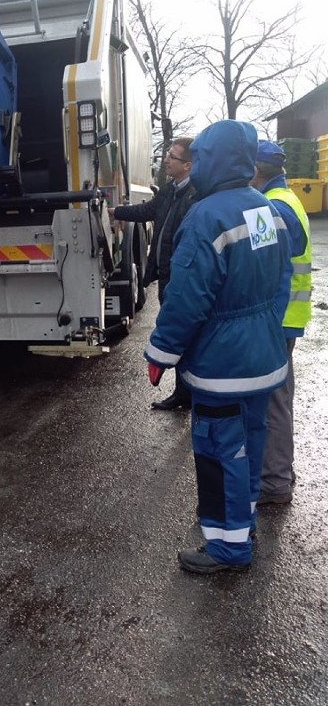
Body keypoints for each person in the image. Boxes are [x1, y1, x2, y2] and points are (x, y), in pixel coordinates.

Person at [144, 120, 291, 574]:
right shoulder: (264, 209)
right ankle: (240, 525)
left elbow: (187, 298)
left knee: (218, 451)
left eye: (201, 156)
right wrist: (269, 334)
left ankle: (228, 547)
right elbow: (280, 282)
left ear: (214, 159)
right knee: (248, 441)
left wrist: (160, 354)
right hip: (263, 359)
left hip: (222, 367)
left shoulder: (207, 216)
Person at [109, 137, 196, 411]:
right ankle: (184, 394)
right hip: (167, 277)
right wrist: (116, 211)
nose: (166, 159)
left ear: (188, 165)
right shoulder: (170, 191)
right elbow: (147, 210)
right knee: (176, 333)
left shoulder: (197, 196)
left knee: (186, 336)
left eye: (172, 156)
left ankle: (192, 393)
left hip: (182, 278)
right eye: (167, 154)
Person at [250, 140, 312, 506]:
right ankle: (280, 471)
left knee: (273, 400)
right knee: (279, 396)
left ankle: (273, 481)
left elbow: (262, 266)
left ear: (256, 171)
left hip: (276, 317)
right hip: (287, 315)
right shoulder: (288, 200)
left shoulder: (270, 208)